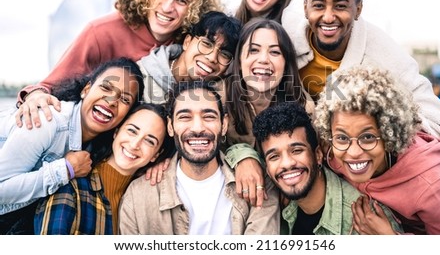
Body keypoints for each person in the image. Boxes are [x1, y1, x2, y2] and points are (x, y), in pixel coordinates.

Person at [16, 0, 223, 129]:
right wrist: (34, 96)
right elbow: (50, 86)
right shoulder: (102, 31)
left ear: (194, 10)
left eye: (181, 0)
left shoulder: (186, 45)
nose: (168, 7)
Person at [287, 0, 440, 138]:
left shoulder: (386, 56)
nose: (328, 17)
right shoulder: (283, 37)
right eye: (318, 5)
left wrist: (381, 120)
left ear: (358, 9)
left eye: (340, 6)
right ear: (305, 7)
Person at [0, 57, 144, 234]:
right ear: (86, 90)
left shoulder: (98, 146)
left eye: (125, 100)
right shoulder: (47, 121)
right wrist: (65, 169)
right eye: (106, 88)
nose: (112, 101)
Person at [119, 81, 279, 234]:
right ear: (170, 126)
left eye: (209, 117)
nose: (197, 128)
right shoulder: (137, 195)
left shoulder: (258, 183)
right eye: (185, 117)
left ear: (223, 125)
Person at [314, 65, 440, 234]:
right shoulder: (332, 153)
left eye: (368, 137)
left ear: (389, 134)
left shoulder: (429, 183)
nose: (354, 153)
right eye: (342, 137)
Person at [253, 102, 403, 235]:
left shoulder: (368, 221)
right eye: (274, 157)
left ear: (318, 155)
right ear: (267, 168)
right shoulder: (274, 202)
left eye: (297, 150)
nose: (286, 163)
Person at [34, 102, 175, 234]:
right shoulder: (71, 187)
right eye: (132, 131)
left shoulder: (142, 199)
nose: (134, 144)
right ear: (116, 132)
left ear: (155, 155)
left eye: (149, 141)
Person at [222, 18, 312, 208]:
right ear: (239, 60)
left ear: (286, 63)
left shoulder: (303, 106)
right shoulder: (217, 97)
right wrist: (241, 155)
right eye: (254, 50)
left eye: (274, 52)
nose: (263, 59)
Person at [137, 10, 242, 103]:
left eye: (225, 54)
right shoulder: (138, 77)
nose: (212, 58)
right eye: (206, 43)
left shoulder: (219, 101)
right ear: (187, 42)